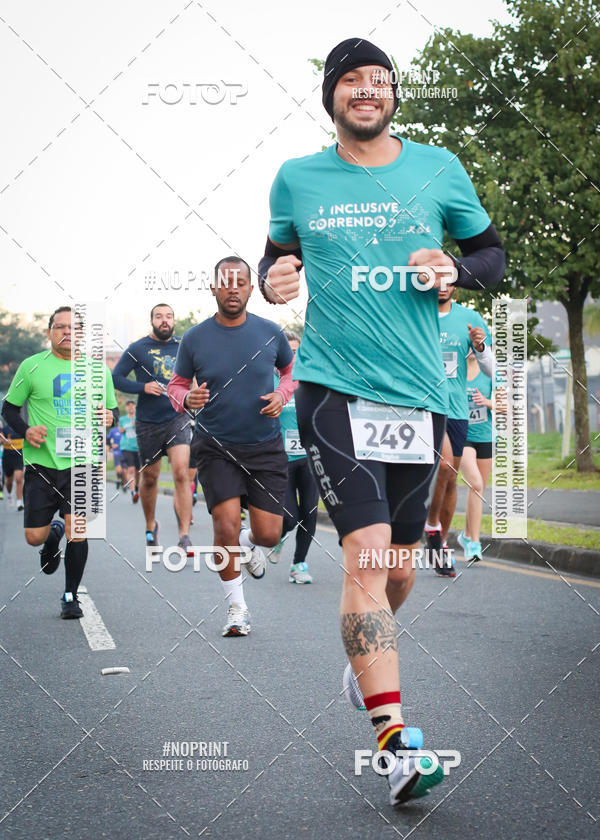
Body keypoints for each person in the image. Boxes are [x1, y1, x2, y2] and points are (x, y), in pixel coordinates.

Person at [257, 38, 503, 806]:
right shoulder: (297, 177)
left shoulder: (439, 167)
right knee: (366, 559)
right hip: (332, 390)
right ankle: (395, 743)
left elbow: (491, 255)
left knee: (398, 570)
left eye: (380, 81)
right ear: (331, 96)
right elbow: (273, 262)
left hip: (418, 396)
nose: (367, 90)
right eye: (351, 81)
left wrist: (456, 270)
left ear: (394, 95)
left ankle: (364, 659)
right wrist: (273, 279)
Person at [168, 256, 294, 636]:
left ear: (251, 288)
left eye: (240, 282)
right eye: (225, 282)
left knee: (269, 534)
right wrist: (185, 399)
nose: (233, 288)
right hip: (216, 445)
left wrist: (282, 394)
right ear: (213, 288)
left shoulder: (271, 332)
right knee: (223, 524)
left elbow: (291, 372)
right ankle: (237, 609)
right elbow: (176, 384)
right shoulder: (195, 338)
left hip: (265, 445)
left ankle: (247, 542)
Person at [1, 306, 117, 618]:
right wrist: (26, 430)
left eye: (73, 328)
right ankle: (52, 535)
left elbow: (112, 412)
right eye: (60, 327)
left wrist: (110, 417)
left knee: (78, 530)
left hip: (82, 463)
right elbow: (9, 409)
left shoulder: (99, 371)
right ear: (49, 332)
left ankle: (70, 596)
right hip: (42, 464)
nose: (67, 332)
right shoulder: (31, 366)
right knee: (33, 538)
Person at [112, 304, 192, 553]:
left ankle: (184, 536)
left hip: (177, 417)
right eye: (159, 316)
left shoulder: (184, 346)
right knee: (150, 478)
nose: (164, 320)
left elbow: (200, 372)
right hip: (148, 422)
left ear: (174, 320)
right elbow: (116, 378)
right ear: (152, 321)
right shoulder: (138, 348)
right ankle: (150, 525)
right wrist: (143, 387)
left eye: (169, 316)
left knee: (181, 472)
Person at [424, 287, 492, 576]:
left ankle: (439, 543)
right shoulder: (413, 312)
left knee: (451, 478)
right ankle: (430, 526)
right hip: (420, 406)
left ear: (456, 283)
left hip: (455, 410)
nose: (442, 283)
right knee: (443, 465)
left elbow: (490, 369)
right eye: (436, 276)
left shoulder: (470, 318)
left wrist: (480, 347)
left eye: (448, 277)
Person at [269, 330, 319, 584]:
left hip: (310, 458)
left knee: (310, 511)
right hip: (281, 460)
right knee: (289, 517)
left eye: (297, 351)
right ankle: (278, 536)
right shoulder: (268, 381)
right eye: (288, 351)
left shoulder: (310, 380)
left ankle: (299, 564)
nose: (293, 356)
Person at [457, 352, 506, 562]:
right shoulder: (454, 370)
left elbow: (504, 407)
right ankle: (474, 544)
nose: (470, 349)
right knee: (475, 484)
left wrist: (486, 402)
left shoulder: (491, 372)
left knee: (477, 490)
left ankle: (466, 536)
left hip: (486, 437)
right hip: (462, 436)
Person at [119, 400, 140, 502]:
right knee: (131, 470)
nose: (131, 407)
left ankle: (136, 488)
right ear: (126, 408)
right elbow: (120, 430)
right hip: (126, 447)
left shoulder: (139, 418)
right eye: (128, 406)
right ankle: (133, 492)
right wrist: (126, 426)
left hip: (139, 447)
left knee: (138, 471)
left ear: (135, 407)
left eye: (132, 405)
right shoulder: (122, 419)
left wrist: (136, 424)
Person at [1, 423, 25, 510]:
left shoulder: (21, 427)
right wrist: (5, 441)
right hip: (7, 458)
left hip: (19, 457)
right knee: (9, 482)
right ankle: (10, 494)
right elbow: (1, 439)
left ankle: (19, 502)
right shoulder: (4, 429)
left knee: (19, 478)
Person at [107, 423, 126, 492]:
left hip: (125, 452)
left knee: (124, 471)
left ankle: (124, 484)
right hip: (117, 452)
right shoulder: (113, 430)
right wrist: (111, 446)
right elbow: (107, 439)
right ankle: (119, 479)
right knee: (118, 470)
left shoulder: (127, 430)